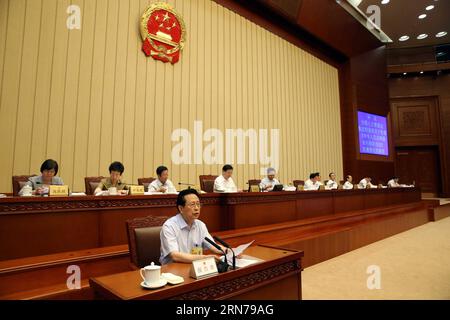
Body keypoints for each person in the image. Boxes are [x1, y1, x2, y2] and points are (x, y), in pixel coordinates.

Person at [160, 189, 225, 265]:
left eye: (198, 204)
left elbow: (214, 247)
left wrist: (230, 251)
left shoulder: (200, 225)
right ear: (181, 208)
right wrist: (206, 258)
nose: (197, 208)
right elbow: (175, 256)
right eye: (192, 204)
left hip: (194, 267)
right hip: (172, 270)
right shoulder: (169, 226)